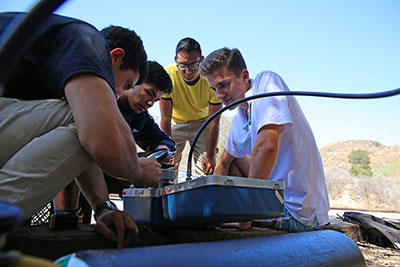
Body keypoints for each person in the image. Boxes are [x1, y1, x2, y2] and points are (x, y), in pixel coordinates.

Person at [0, 12, 161, 248]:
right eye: (126, 85)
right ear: (115, 57)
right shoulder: (87, 41)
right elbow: (100, 137)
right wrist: (137, 169)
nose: (119, 95)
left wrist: (102, 207)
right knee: (96, 120)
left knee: (87, 118)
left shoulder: (57, 55)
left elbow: (82, 141)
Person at [200, 47, 330, 232]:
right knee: (233, 160)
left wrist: (247, 216)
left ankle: (246, 214)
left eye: (224, 85)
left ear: (244, 76)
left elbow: (267, 146)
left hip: (299, 212)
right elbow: (223, 162)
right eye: (214, 89)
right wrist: (212, 207)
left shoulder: (266, 83)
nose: (219, 95)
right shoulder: (240, 117)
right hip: (274, 198)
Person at [53, 60, 176, 215]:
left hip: (112, 173)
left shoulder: (141, 115)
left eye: (156, 100)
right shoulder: (103, 99)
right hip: (81, 169)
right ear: (134, 82)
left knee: (153, 167)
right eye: (149, 93)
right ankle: (65, 217)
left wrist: (162, 150)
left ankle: (146, 217)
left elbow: (165, 140)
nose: (151, 103)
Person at [160, 37, 222, 180]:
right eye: (182, 65)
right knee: (167, 168)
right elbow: (165, 118)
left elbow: (214, 122)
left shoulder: (211, 78)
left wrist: (211, 155)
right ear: (175, 59)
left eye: (194, 65)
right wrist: (167, 151)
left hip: (203, 124)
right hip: (176, 124)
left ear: (201, 59)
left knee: (206, 170)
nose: (188, 71)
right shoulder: (168, 75)